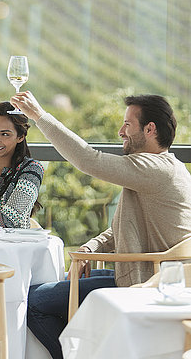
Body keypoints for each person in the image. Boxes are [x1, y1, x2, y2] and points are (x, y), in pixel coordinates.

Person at [10, 90, 191, 359]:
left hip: (146, 282)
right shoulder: (164, 168)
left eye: (127, 124)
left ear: (150, 129)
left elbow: (87, 159)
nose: (120, 131)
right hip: (140, 273)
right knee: (45, 290)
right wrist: (91, 249)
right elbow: (123, 227)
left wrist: (39, 115)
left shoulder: (154, 168)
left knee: (34, 303)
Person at [0, 101, 44, 228]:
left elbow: (10, 220)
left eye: (5, 134)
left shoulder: (31, 170)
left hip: (14, 246)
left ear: (20, 137)